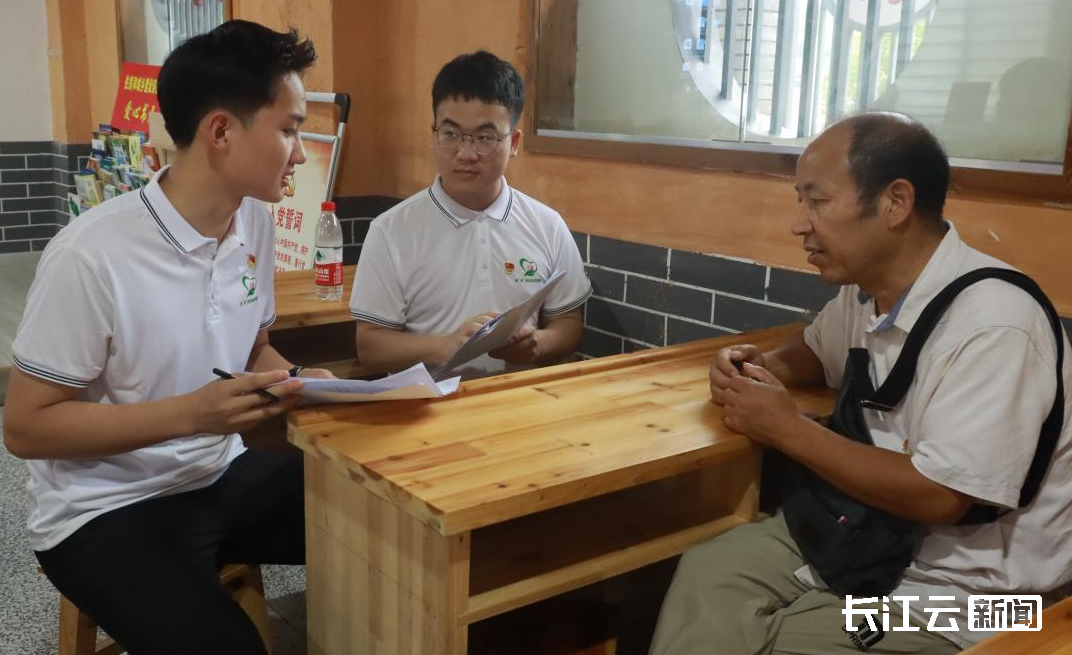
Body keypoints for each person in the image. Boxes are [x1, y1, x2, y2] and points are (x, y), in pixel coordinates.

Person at [648, 112, 1072, 654]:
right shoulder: (868, 289)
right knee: (709, 575)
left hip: (979, 597)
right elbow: (816, 351)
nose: (798, 224)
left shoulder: (997, 324)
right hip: (861, 536)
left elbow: (941, 496)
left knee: (779, 639)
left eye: (817, 201)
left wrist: (784, 427)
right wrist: (757, 369)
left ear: (896, 202)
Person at [3, 20, 332, 655]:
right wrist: (191, 416)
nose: (300, 152)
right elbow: (25, 428)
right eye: (290, 129)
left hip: (220, 473)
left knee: (389, 521)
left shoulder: (254, 223)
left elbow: (252, 346)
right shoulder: (91, 254)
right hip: (104, 509)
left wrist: (296, 379)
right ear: (221, 132)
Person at [349, 50, 591, 379]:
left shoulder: (547, 225)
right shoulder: (390, 230)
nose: (465, 153)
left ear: (514, 142)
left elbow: (568, 323)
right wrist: (447, 346)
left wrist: (537, 344)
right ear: (434, 134)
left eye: (485, 138)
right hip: (427, 404)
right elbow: (370, 346)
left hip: (521, 402)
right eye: (450, 134)